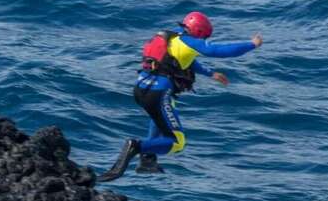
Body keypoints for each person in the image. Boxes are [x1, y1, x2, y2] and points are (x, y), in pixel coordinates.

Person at [98, 11, 263, 182]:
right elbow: (216, 50)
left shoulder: (173, 40)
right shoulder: (189, 41)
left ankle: (147, 160)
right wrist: (251, 44)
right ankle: (137, 146)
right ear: (199, 32)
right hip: (158, 93)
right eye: (203, 37)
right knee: (177, 142)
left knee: (159, 116)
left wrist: (210, 73)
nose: (202, 41)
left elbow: (186, 60)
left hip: (141, 89)